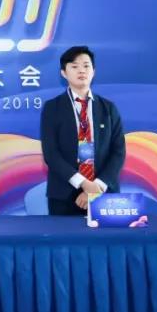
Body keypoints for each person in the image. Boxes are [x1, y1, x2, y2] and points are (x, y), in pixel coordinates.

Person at [40, 45, 125, 216]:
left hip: (103, 193)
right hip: (64, 195)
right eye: (74, 66)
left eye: (86, 66)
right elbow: (51, 154)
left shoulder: (108, 108)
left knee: (107, 235)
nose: (81, 70)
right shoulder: (52, 108)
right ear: (63, 73)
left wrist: (97, 186)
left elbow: (118, 152)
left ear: (93, 71)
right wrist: (84, 184)